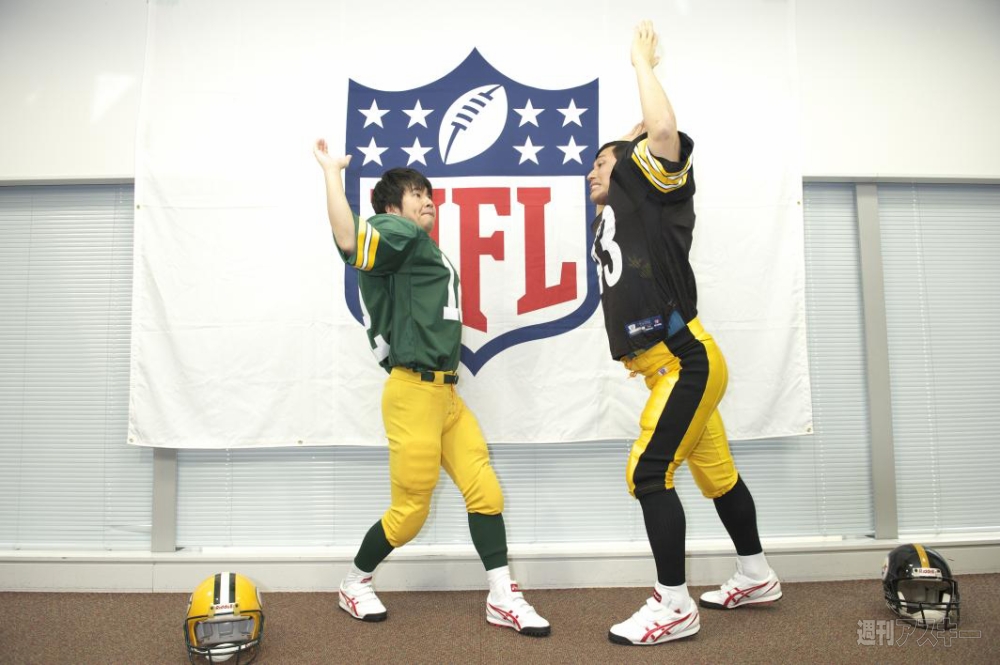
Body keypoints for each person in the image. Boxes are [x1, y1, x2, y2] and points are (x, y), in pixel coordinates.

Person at [587, 21, 782, 646]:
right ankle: (756, 574)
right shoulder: (618, 209)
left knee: (647, 472)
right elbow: (631, 144)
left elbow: (663, 134)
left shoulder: (654, 194)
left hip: (682, 361)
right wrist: (620, 144)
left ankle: (674, 605)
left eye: (603, 164)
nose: (592, 172)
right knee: (717, 474)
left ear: (635, 169)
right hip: (667, 365)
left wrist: (642, 66)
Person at [312, 141, 550, 637]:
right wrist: (332, 173)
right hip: (414, 394)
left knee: (484, 490)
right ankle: (354, 581)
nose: (428, 201)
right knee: (410, 512)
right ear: (391, 207)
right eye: (417, 194)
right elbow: (349, 238)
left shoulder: (418, 247)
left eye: (429, 195)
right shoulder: (397, 231)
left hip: (444, 395)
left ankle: (502, 594)